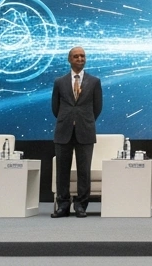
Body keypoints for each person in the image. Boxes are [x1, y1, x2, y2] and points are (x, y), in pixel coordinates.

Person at [51, 46, 102, 218]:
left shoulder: (94, 81)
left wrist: (83, 121)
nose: (80, 59)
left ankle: (81, 205)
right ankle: (63, 205)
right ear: (69, 59)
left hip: (85, 131)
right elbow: (55, 108)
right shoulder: (59, 81)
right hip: (63, 130)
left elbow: (97, 108)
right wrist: (68, 119)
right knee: (62, 170)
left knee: (84, 170)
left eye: (82, 56)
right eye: (76, 56)